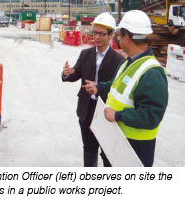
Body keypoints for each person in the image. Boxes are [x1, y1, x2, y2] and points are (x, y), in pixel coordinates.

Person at [84, 10, 169, 167]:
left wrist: (118, 115)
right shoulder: (127, 63)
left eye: (119, 35)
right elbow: (116, 86)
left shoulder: (152, 73)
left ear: (127, 38)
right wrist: (99, 88)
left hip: (134, 148)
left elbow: (151, 116)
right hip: (117, 140)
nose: (117, 38)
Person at [62, 13, 125, 167]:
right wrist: (66, 73)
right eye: (94, 33)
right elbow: (75, 74)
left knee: (107, 151)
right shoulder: (85, 54)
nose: (96, 37)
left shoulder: (119, 61)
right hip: (86, 109)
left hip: (106, 110)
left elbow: (118, 88)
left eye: (101, 34)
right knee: (89, 148)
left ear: (110, 35)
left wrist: (99, 89)